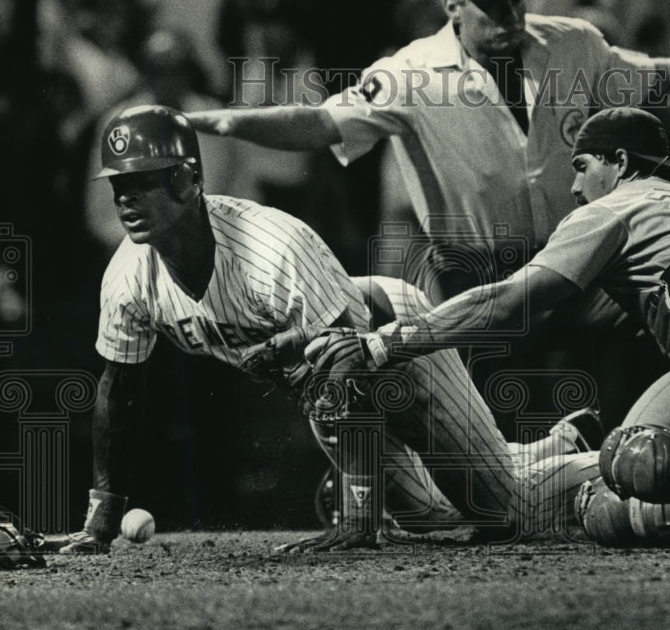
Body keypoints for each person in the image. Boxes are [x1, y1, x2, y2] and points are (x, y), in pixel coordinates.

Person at [188, 0, 670, 431]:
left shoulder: (571, 43)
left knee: (636, 361)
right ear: (453, 7)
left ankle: (661, 464)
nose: (510, 15)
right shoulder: (410, 72)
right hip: (478, 269)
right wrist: (219, 119)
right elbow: (320, 122)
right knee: (489, 438)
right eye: (492, 5)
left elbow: (663, 76)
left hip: (578, 263)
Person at [304, 107, 670, 545]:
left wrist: (387, 342)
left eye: (583, 166)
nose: (573, 185)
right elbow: (562, 319)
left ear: (620, 163)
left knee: (627, 458)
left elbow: (516, 302)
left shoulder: (614, 207)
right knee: (611, 515)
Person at [59, 104, 601, 554]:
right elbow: (120, 391)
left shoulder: (270, 245)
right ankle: (555, 444)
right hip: (327, 379)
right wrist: (101, 515)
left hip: (392, 339)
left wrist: (357, 520)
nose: (124, 198)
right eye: (118, 184)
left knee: (504, 512)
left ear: (187, 179)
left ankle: (621, 457)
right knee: (429, 514)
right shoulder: (130, 273)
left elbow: (350, 360)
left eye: (142, 182)